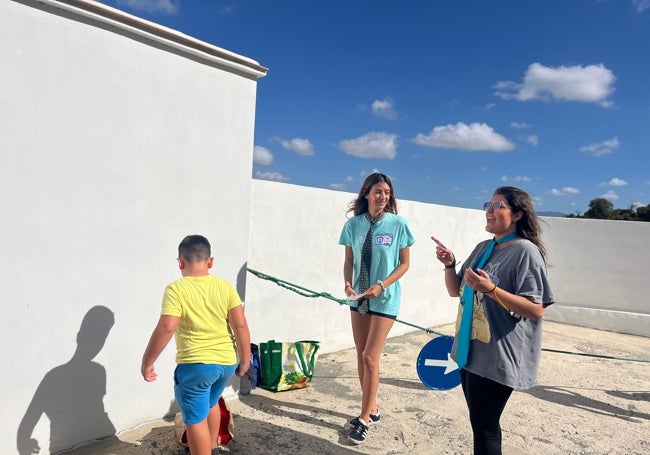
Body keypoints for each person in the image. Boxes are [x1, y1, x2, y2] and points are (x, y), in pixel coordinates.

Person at [432, 186, 554, 455]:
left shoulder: (525, 251)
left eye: (499, 205)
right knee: (483, 424)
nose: (490, 209)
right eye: (489, 204)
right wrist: (450, 264)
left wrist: (492, 290)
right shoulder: (484, 248)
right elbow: (456, 291)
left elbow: (536, 309)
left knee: (484, 428)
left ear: (518, 214)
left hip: (498, 355)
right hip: (471, 352)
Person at [141, 235, 250, 455]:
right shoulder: (225, 287)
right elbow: (240, 325)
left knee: (194, 420)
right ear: (210, 262)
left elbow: (166, 327)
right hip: (226, 363)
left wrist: (147, 361)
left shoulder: (176, 289)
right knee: (211, 404)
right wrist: (245, 359)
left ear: (180, 262)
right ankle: (212, 448)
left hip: (196, 366)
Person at [338, 172, 415, 444]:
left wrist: (382, 285)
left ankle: (363, 419)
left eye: (387, 192)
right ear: (367, 194)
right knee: (360, 355)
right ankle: (372, 408)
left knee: (371, 356)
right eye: (378, 191)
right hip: (358, 297)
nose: (383, 196)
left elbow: (404, 264)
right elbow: (349, 260)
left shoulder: (398, 225)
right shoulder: (353, 226)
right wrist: (348, 284)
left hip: (384, 297)